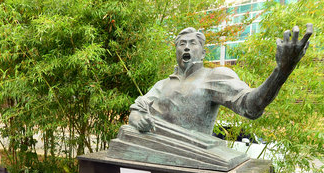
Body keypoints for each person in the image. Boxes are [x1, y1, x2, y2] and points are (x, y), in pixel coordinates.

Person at [128, 25, 313, 136]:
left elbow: (250, 105)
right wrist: (136, 117)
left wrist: (281, 72)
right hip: (153, 152)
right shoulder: (162, 84)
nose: (186, 47)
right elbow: (138, 107)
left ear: (203, 52)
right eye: (181, 44)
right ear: (176, 51)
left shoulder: (214, 76)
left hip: (192, 158)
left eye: (192, 43)